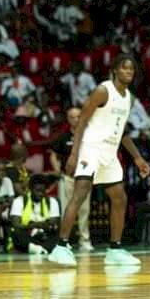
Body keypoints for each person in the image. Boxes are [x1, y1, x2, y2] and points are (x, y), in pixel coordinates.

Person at [48, 54, 150, 267]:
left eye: (131, 69)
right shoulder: (103, 91)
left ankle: (115, 249)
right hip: (91, 148)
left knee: (119, 198)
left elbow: (122, 131)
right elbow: (82, 121)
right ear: (114, 70)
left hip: (110, 152)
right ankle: (61, 246)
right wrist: (75, 154)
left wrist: (138, 158)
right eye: (124, 68)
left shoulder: (129, 98)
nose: (129, 72)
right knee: (80, 194)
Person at [49, 107, 93, 251]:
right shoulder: (63, 136)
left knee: (84, 210)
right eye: (72, 117)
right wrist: (57, 170)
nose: (76, 119)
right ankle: (64, 241)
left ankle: (84, 241)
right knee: (66, 210)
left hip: (84, 178)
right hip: (67, 178)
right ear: (68, 119)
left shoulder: (89, 135)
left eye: (78, 116)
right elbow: (53, 155)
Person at [9, 174, 59, 254]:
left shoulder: (52, 202)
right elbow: (16, 224)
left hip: (44, 234)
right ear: (31, 189)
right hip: (27, 233)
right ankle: (44, 248)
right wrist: (32, 226)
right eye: (37, 191)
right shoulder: (19, 201)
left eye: (43, 191)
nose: (40, 194)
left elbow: (54, 223)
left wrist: (44, 226)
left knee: (57, 234)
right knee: (16, 233)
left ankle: (34, 248)